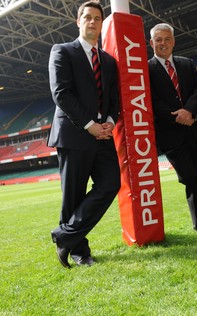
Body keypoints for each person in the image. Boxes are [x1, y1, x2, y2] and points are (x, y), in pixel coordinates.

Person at [48, 1, 121, 268]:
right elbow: (61, 93)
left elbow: (115, 98)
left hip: (103, 135)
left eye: (97, 18)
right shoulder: (62, 51)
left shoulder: (110, 62)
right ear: (78, 22)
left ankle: (63, 235)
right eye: (87, 17)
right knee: (73, 195)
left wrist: (110, 122)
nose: (92, 22)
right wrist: (89, 124)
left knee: (111, 183)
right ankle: (80, 252)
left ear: (102, 23)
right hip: (75, 134)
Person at [148, 23, 197, 233]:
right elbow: (151, 101)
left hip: (195, 128)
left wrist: (189, 111)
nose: (163, 43)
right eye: (158, 40)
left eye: (167, 39)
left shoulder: (186, 63)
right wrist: (175, 117)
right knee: (187, 176)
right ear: (151, 43)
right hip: (170, 133)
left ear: (173, 42)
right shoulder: (146, 69)